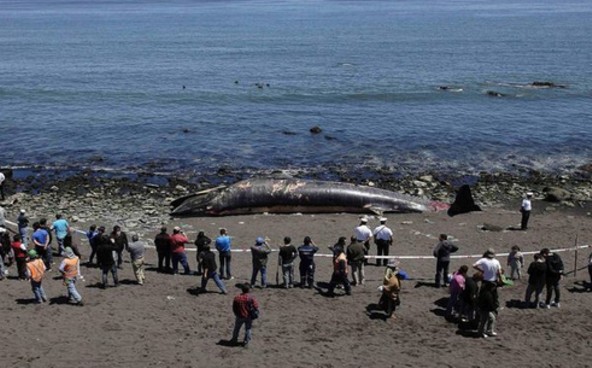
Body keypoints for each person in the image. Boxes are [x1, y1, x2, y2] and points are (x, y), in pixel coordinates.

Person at [473, 248, 502, 338]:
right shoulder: (496, 262)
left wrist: (482, 271)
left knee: (485, 308)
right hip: (492, 285)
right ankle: (484, 330)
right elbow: (499, 272)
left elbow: (474, 265)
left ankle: (485, 330)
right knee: (488, 309)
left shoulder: (483, 260)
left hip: (486, 284)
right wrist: (500, 279)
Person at [230, 283, 259, 348]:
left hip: (239, 316)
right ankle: (246, 341)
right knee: (248, 329)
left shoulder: (237, 297)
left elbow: (234, 307)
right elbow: (256, 306)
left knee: (237, 328)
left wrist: (236, 313)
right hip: (248, 316)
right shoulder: (251, 298)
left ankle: (234, 339)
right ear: (248, 290)